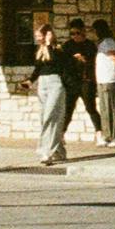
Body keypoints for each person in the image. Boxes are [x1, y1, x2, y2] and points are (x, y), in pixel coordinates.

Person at [31, 19, 74, 166]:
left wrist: (49, 44)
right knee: (45, 118)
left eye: (39, 35)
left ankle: (46, 152)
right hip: (42, 84)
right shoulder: (40, 50)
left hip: (55, 84)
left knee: (51, 116)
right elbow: (38, 68)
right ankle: (59, 151)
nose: (37, 38)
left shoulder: (57, 48)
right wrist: (30, 81)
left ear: (47, 35)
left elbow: (58, 62)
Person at [92, 21, 115, 147]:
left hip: (110, 78)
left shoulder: (108, 42)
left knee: (113, 108)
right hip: (102, 79)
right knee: (105, 109)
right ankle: (107, 135)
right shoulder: (102, 43)